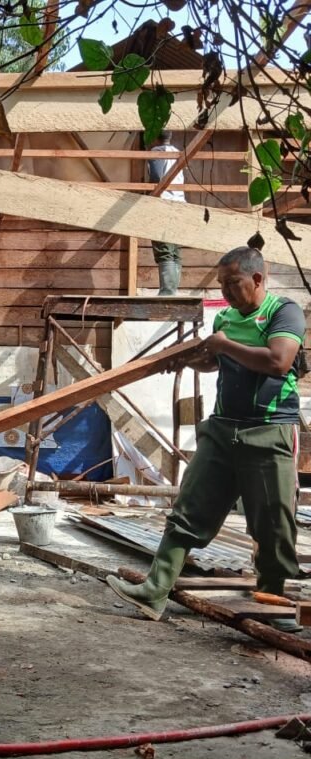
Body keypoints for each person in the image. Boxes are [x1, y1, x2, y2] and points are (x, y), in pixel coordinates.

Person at [107, 246, 305, 633]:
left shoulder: (284, 312)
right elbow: (217, 361)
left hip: (269, 431)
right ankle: (154, 591)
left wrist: (221, 344)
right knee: (189, 510)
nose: (227, 294)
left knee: (272, 523)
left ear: (258, 279)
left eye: (233, 284)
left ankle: (276, 604)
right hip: (222, 429)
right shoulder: (228, 316)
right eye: (222, 286)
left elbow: (278, 362)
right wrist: (184, 358)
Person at [147, 130, 186, 295]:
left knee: (164, 248)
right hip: (179, 202)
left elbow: (156, 176)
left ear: (155, 137)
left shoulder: (157, 152)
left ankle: (168, 291)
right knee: (174, 249)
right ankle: (172, 290)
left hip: (163, 201)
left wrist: (150, 193)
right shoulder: (177, 151)